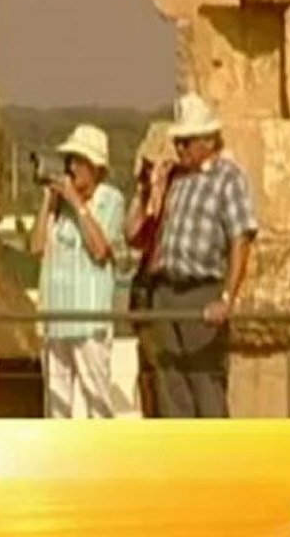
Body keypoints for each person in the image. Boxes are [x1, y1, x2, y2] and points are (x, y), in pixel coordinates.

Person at [151, 93, 258, 418]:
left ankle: (215, 463)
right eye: (178, 142)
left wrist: (227, 296)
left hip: (202, 292)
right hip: (168, 291)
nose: (180, 149)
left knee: (205, 387)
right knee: (172, 388)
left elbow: (241, 237)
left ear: (209, 140)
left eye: (187, 142)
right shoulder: (179, 180)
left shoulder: (229, 178)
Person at [30, 125, 125, 419]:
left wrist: (77, 204)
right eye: (69, 160)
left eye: (79, 161)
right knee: (56, 405)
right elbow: (35, 247)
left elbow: (99, 250)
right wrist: (48, 204)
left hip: (88, 319)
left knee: (96, 399)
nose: (71, 168)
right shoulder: (58, 205)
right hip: (55, 317)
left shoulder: (110, 199)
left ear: (95, 168)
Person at [124, 130, 181, 418]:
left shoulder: (182, 195)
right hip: (147, 297)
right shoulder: (149, 195)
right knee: (148, 380)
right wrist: (144, 191)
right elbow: (132, 234)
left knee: (166, 384)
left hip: (167, 298)